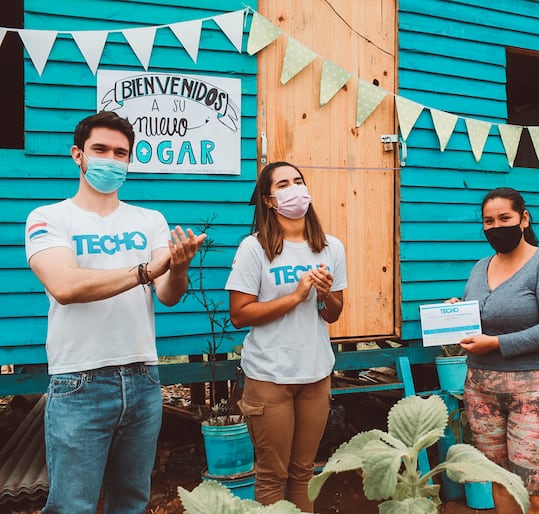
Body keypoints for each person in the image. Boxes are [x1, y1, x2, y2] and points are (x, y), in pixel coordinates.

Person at [24, 111, 207, 513]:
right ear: (78, 154)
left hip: (143, 379)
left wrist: (179, 269)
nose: (111, 159)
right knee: (72, 506)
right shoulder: (48, 218)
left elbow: (168, 294)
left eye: (121, 153)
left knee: (132, 502)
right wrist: (144, 270)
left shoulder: (150, 220)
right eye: (100, 149)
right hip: (78, 383)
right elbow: (65, 286)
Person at [448, 187, 539, 514]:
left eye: (504, 218)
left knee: (536, 493)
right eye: (488, 221)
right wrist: (457, 312)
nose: (496, 227)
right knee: (501, 482)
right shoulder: (481, 267)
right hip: (483, 391)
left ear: (523, 219)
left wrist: (496, 344)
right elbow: (485, 317)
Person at [225, 161, 347, 512]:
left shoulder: (330, 247)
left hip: (316, 373)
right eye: (283, 184)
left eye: (298, 181)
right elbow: (239, 314)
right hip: (269, 376)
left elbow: (335, 313)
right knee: (271, 473)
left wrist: (324, 295)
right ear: (268, 200)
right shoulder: (254, 248)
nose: (294, 188)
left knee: (303, 471)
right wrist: (293, 297)